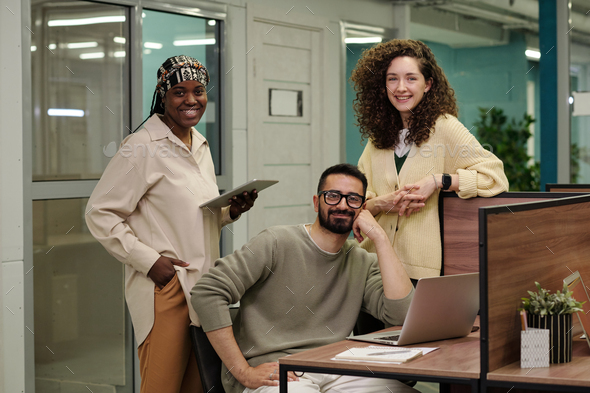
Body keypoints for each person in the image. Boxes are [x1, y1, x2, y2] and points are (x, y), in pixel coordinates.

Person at [86, 55, 256, 393]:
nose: (191, 100)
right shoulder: (141, 147)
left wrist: (230, 212)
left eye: (199, 91)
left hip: (203, 287)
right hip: (165, 287)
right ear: (163, 96)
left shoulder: (199, 145)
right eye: (179, 92)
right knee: (162, 386)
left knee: (198, 384)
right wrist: (149, 262)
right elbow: (100, 213)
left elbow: (189, 218)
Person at [191, 163, 417, 393]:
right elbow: (207, 293)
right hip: (277, 372)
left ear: (363, 208)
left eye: (353, 199)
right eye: (333, 196)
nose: (342, 205)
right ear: (316, 202)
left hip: (336, 368)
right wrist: (243, 372)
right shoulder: (275, 242)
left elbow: (403, 316)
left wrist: (380, 237)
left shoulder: (361, 261)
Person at [350, 39, 509, 281]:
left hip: (416, 271)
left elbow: (494, 179)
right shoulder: (377, 138)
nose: (400, 87)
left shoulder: (445, 128)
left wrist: (438, 181)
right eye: (392, 79)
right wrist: (384, 203)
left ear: (428, 84)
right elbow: (359, 201)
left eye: (411, 78)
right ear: (383, 86)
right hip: (370, 266)